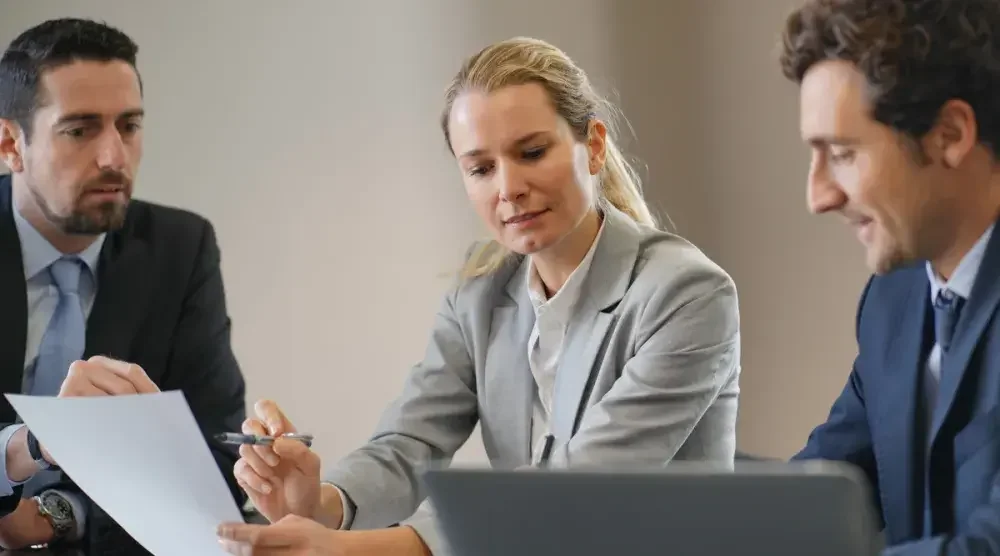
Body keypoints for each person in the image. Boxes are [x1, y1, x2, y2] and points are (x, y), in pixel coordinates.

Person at [215, 36, 742, 556]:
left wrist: (359, 551)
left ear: (595, 145)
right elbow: (410, 443)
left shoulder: (687, 294)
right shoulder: (480, 290)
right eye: (481, 168)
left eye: (531, 152)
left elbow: (579, 494)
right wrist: (322, 503)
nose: (507, 187)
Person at [0, 18, 247, 552]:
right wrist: (28, 448)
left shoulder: (180, 248)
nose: (114, 156)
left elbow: (215, 453)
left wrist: (57, 514)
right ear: (10, 144)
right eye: (79, 129)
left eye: (129, 126)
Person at [779, 0, 1000, 553]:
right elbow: (821, 491)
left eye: (844, 153)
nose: (818, 196)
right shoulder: (893, 299)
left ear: (949, 134)